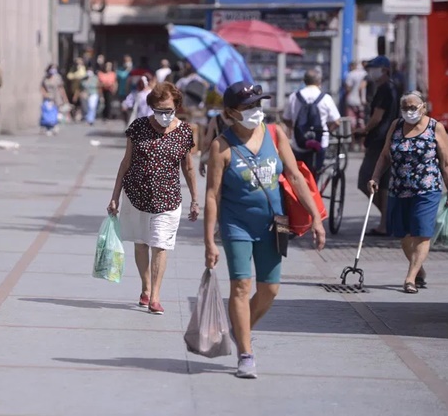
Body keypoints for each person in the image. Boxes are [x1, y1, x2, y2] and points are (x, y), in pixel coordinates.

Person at [204, 81, 326, 379]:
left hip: (275, 223)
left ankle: (240, 328)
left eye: (258, 105)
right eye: (248, 107)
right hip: (237, 226)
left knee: (270, 288)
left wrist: (316, 218)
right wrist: (209, 240)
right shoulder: (222, 146)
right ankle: (246, 354)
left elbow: (295, 177)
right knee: (241, 287)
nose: (256, 111)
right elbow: (212, 195)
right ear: (231, 112)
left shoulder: (275, 134)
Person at [107, 82, 198, 315]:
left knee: (160, 245)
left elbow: (188, 168)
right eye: (159, 110)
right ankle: (145, 288)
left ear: (177, 105)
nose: (164, 115)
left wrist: (195, 199)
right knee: (141, 243)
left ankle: (155, 296)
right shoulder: (138, 127)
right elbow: (125, 162)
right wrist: (114, 196)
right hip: (136, 196)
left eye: (168, 110)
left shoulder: (184, 132)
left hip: (168, 199)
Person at [369, 92, 448, 293]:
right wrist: (376, 177)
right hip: (399, 188)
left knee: (422, 233)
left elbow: (446, 162)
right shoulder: (396, 126)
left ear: (423, 107)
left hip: (427, 188)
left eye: (413, 107)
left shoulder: (435, 128)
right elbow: (385, 155)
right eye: (405, 108)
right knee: (404, 235)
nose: (409, 111)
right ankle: (419, 269)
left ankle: (410, 278)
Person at [356, 55, 398, 236]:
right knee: (383, 184)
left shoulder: (384, 89)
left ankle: (389, 220)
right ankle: (387, 222)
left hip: (379, 140)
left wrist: (364, 130)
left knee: (366, 179)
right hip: (389, 139)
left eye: (374, 68)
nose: (371, 72)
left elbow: (377, 117)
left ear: (385, 70)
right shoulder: (391, 87)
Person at [282, 69, 341, 175]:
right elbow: (337, 121)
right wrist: (327, 131)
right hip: (320, 142)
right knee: (315, 174)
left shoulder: (294, 97)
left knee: (300, 174)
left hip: (298, 142)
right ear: (319, 81)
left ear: (304, 81)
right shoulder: (326, 98)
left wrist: (296, 128)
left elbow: (286, 118)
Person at [344, 61, 367, 152]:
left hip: (352, 101)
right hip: (362, 102)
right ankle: (362, 145)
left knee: (352, 124)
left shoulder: (351, 74)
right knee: (362, 124)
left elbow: (348, 88)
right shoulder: (365, 74)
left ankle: (352, 145)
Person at [41, 64, 69, 135]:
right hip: (48, 98)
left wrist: (65, 98)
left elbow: (61, 88)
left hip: (56, 98)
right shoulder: (45, 78)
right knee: (48, 113)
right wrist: (45, 94)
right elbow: (42, 87)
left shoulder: (57, 77)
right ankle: (48, 127)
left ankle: (54, 125)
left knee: (55, 112)